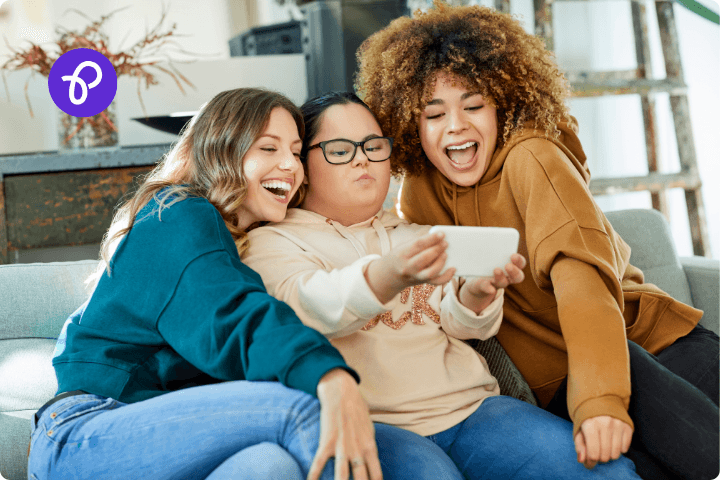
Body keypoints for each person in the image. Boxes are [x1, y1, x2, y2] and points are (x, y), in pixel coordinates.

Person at [355, 2, 720, 479]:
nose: (456, 126)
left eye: (473, 105)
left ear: (503, 103)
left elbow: (584, 282)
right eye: (433, 113)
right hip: (561, 385)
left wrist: (599, 401)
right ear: (409, 122)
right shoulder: (421, 190)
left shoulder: (534, 158)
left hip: (648, 351)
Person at [27, 87, 465, 480]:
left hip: (165, 437)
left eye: (296, 151)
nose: (290, 166)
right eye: (268, 148)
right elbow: (234, 318)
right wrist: (330, 376)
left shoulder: (243, 243)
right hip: (89, 429)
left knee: (270, 466)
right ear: (222, 151)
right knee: (302, 411)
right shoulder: (179, 215)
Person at [242, 90, 642, 479]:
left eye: (374, 146)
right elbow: (306, 309)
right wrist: (388, 275)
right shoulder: (272, 240)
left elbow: (462, 326)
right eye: (341, 150)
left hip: (474, 409)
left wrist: (478, 294)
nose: (363, 160)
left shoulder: (417, 232)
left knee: (607, 471)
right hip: (379, 423)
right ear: (302, 164)